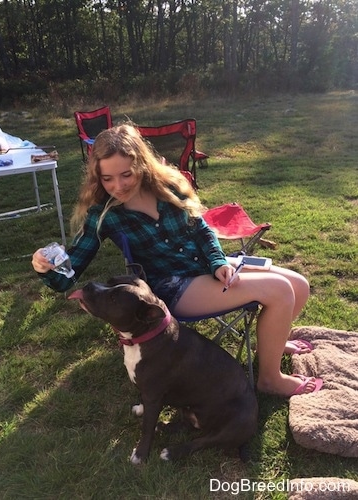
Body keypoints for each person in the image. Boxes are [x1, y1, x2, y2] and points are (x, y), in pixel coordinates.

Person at [32, 123, 323, 397]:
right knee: (280, 290)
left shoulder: (167, 188)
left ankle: (271, 344)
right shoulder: (104, 214)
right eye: (107, 178)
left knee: (299, 285)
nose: (118, 186)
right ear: (98, 177)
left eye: (126, 175)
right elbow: (66, 276)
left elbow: (201, 229)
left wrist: (218, 261)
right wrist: (46, 268)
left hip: (205, 269)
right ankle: (270, 380)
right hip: (172, 287)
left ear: (141, 166)